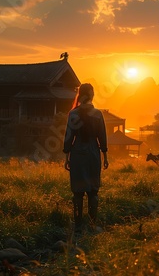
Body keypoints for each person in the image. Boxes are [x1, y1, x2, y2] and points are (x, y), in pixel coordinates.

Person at [63, 83, 109, 235]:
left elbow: (69, 137)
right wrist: (105, 155)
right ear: (91, 95)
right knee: (93, 192)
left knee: (77, 192)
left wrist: (66, 156)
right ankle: (92, 224)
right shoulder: (97, 114)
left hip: (77, 154)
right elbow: (102, 136)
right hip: (93, 154)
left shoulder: (73, 114)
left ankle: (77, 226)